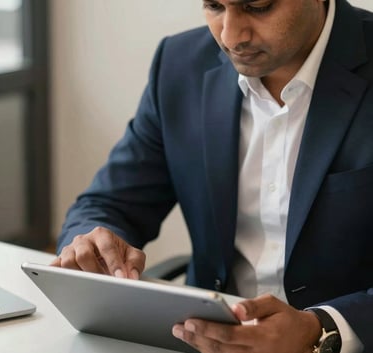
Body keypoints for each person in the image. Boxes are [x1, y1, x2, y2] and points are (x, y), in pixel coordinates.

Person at [52, 0, 373, 352]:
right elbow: (109, 201)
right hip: (200, 340)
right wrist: (92, 243)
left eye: (258, 6)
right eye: (214, 6)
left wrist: (321, 328)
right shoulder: (180, 64)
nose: (231, 36)